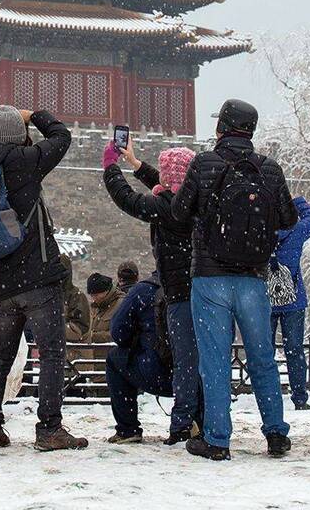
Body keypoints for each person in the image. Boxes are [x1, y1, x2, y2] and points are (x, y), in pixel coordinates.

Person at [172, 98, 298, 461]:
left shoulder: (205, 163)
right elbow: (288, 219)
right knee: (262, 358)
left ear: (221, 128)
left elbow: (180, 212)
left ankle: (217, 439)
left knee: (213, 359)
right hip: (253, 278)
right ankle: (275, 433)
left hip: (210, 277)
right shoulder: (270, 169)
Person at [0, 105, 88, 452]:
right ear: (19, 136)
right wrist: (35, 115)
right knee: (50, 352)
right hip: (37, 280)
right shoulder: (27, 161)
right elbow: (62, 137)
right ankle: (49, 429)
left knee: (0, 357)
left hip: (1, 282)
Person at [103, 139, 200, 444]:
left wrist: (111, 168)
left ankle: (145, 427)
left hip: (178, 294)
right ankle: (204, 419)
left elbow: (128, 200)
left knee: (181, 360)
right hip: (207, 291)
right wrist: (137, 165)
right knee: (200, 360)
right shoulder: (200, 203)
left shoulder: (166, 209)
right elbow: (174, 186)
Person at [105, 271, 173, 443]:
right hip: (194, 377)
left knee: (114, 359)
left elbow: (118, 332)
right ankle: (199, 424)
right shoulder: (199, 286)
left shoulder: (143, 290)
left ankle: (127, 429)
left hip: (155, 370)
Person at [270, 196, 310, 410]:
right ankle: (299, 398)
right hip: (293, 300)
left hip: (264, 301)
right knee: (295, 350)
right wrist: (296, 201)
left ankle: (269, 395)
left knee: (263, 350)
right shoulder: (296, 232)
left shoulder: (260, 235)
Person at [86, 273, 124, 343]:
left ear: (106, 291)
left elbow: (121, 333)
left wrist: (93, 336)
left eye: (96, 295)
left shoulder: (121, 305)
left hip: (111, 352)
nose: (94, 299)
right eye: (92, 295)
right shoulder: (95, 306)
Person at [60, 255, 90, 342]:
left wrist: (53, 329)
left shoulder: (77, 296)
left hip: (70, 351)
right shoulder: (44, 295)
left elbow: (80, 330)